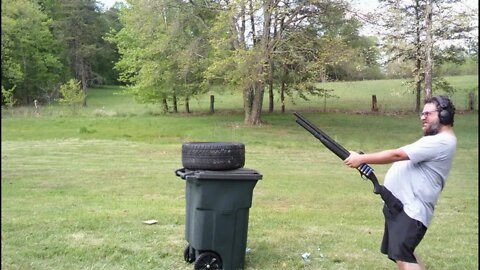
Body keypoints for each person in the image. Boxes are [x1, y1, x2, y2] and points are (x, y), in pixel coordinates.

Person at [344, 96, 457, 270]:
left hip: (411, 210)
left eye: (428, 113)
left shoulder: (441, 141)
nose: (422, 117)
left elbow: (397, 155)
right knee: (403, 255)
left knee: (403, 257)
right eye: (422, 113)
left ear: (444, 115)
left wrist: (361, 158)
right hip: (402, 207)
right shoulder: (438, 141)